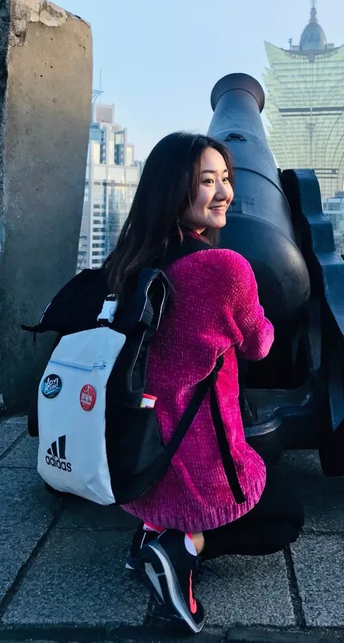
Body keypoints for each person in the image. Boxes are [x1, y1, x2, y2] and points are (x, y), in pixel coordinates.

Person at [102, 132, 304, 633]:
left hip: (138, 452)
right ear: (175, 190)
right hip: (197, 462)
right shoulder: (223, 267)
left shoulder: (130, 260)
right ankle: (180, 547)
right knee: (287, 515)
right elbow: (260, 345)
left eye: (226, 178)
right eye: (207, 181)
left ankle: (150, 534)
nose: (224, 192)